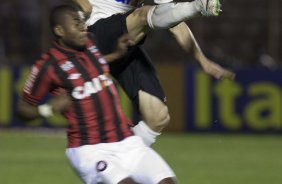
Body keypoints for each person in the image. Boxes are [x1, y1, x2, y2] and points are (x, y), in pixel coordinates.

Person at [17, 4, 177, 184]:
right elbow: (22, 109)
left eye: (82, 21)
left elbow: (97, 63)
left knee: (167, 182)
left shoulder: (90, 43)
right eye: (76, 23)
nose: (82, 26)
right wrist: (47, 110)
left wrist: (117, 54)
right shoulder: (47, 65)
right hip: (90, 149)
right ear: (60, 30)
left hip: (127, 141)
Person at [73, 0, 235, 146]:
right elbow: (85, 7)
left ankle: (122, 154)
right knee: (143, 14)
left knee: (157, 117)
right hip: (96, 36)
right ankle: (198, 5)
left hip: (125, 43)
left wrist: (203, 61)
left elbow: (173, 18)